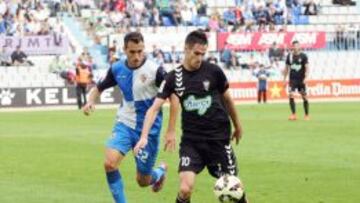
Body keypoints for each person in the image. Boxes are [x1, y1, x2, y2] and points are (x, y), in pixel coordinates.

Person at [134, 30, 248, 203]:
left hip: (219, 141)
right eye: (196, 53)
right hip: (192, 142)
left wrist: (238, 125)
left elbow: (228, 100)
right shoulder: (174, 78)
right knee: (185, 188)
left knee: (233, 191)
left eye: (203, 54)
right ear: (186, 49)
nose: (199, 58)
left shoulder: (214, 72)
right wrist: (143, 137)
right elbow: (153, 109)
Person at [82, 32, 178, 203]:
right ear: (124, 50)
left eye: (140, 51)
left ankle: (159, 172)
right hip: (124, 123)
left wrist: (171, 130)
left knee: (143, 181)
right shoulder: (117, 68)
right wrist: (90, 101)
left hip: (149, 130)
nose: (137, 56)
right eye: (132, 52)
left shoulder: (155, 70)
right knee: (110, 164)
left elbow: (174, 96)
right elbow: (98, 87)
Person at [283, 40, 310, 121]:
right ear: (292, 47)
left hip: (301, 80)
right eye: (294, 46)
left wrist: (306, 77)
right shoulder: (289, 56)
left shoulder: (303, 56)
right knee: (291, 94)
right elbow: (286, 69)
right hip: (292, 80)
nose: (296, 47)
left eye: (297, 46)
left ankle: (306, 115)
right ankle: (293, 114)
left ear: (299, 46)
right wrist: (284, 79)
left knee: (304, 96)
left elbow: (307, 68)